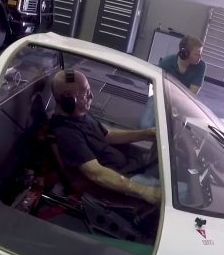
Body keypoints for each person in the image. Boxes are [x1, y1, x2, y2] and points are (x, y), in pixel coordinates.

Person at [50, 69, 161, 205]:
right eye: (86, 93)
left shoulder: (80, 115)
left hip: (129, 169)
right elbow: (96, 173)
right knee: (178, 193)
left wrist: (145, 133)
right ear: (68, 98)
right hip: (119, 183)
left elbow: (107, 136)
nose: (91, 96)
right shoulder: (67, 133)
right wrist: (144, 191)